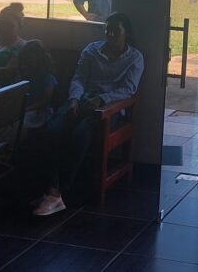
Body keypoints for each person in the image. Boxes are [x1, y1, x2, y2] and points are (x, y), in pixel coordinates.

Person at [32, 13, 144, 216]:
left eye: (116, 30)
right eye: (108, 29)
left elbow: (128, 89)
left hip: (108, 108)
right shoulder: (92, 50)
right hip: (82, 99)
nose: (111, 34)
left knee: (81, 134)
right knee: (53, 130)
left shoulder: (134, 57)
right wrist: (74, 99)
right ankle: (51, 188)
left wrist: (101, 100)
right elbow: (79, 78)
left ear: (126, 32)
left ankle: (59, 191)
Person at [18, 40, 58, 130]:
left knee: (20, 123)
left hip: (40, 111)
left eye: (29, 59)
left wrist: (26, 109)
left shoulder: (48, 77)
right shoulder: (24, 74)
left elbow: (46, 100)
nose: (27, 62)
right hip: (22, 108)